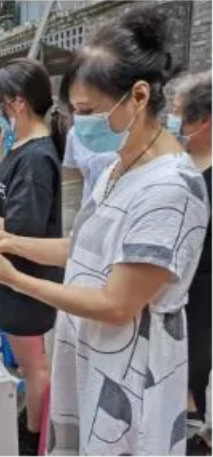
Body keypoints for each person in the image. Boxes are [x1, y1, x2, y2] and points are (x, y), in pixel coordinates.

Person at [0, 7, 210, 455]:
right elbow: (84, 249)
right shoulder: (119, 167)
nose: (79, 124)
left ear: (138, 97)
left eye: (86, 111)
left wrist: (15, 278)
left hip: (128, 368)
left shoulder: (170, 188)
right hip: (91, 350)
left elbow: (118, 304)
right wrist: (9, 242)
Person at [0, 58, 65, 455]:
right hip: (11, 271)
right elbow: (12, 217)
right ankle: (33, 423)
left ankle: (34, 437)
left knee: (35, 367)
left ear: (17, 103)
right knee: (27, 362)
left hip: (24, 277)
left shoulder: (36, 157)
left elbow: (25, 230)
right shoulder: (20, 146)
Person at [172, 71, 212, 435]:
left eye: (179, 113)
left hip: (201, 286)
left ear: (204, 120)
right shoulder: (178, 163)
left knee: (193, 364)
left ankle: (194, 431)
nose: (173, 121)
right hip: (174, 283)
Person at [62, 124, 116, 204]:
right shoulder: (75, 132)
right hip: (90, 202)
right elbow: (73, 172)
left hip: (124, 200)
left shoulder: (127, 129)